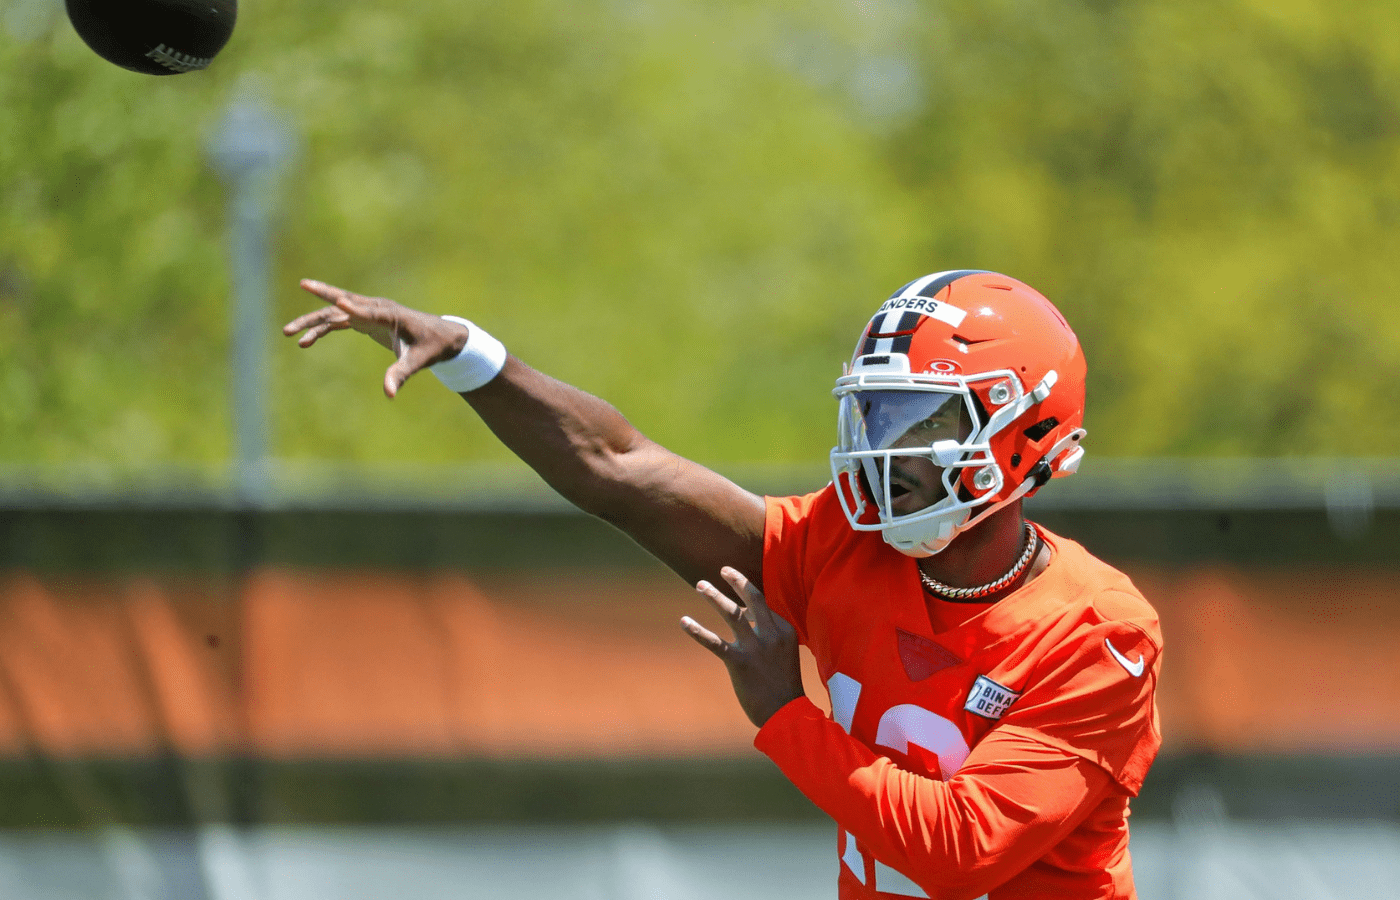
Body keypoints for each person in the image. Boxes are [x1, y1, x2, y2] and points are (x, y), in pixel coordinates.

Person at [284, 269, 1162, 900]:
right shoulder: (843, 546)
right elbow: (622, 470)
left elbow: (959, 849)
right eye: (876, 413)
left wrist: (787, 717)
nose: (884, 449)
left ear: (1029, 429)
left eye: (921, 419)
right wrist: (476, 357)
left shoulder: (1100, 630)